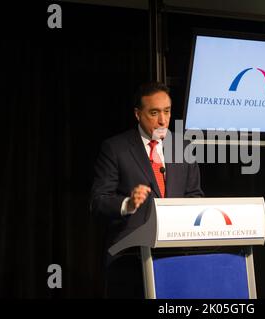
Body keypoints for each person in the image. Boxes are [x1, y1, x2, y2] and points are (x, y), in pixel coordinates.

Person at [90, 81, 203, 298]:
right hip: (129, 259)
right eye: (154, 112)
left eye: (167, 111)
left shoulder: (183, 147)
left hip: (175, 258)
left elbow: (194, 195)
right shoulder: (115, 148)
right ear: (138, 114)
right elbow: (98, 200)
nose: (162, 120)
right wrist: (127, 204)